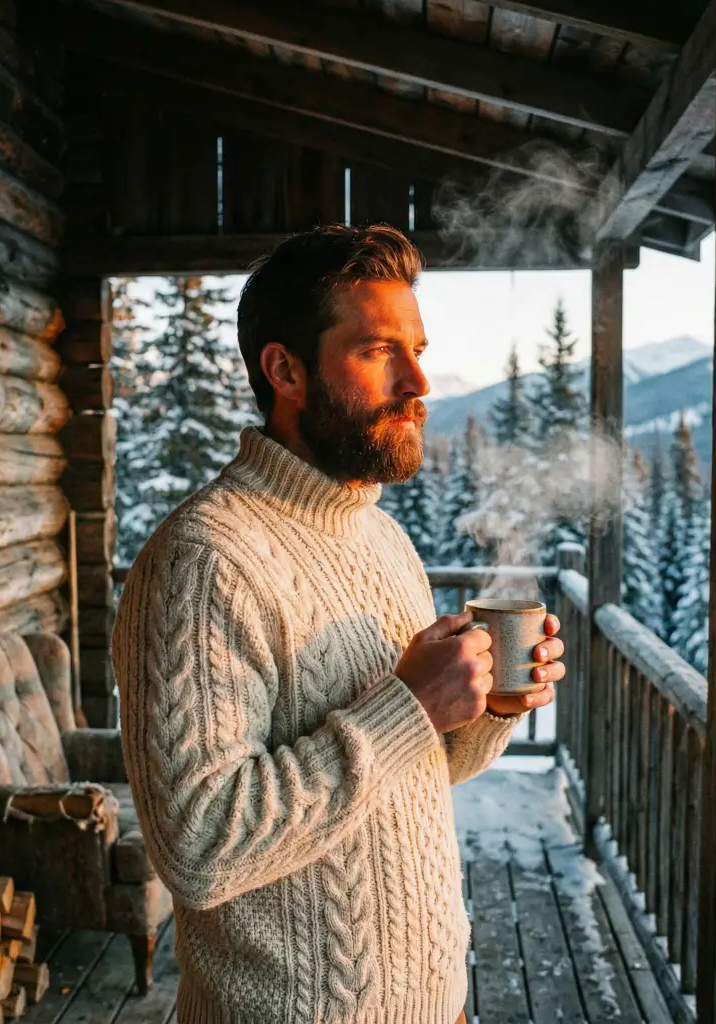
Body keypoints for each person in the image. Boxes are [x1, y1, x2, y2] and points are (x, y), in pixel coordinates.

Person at [112, 225, 565, 1023]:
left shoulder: (381, 536)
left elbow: (403, 774)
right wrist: (411, 705)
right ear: (285, 370)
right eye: (378, 351)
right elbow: (197, 847)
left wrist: (482, 710)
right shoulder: (203, 560)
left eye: (417, 348)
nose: (418, 380)